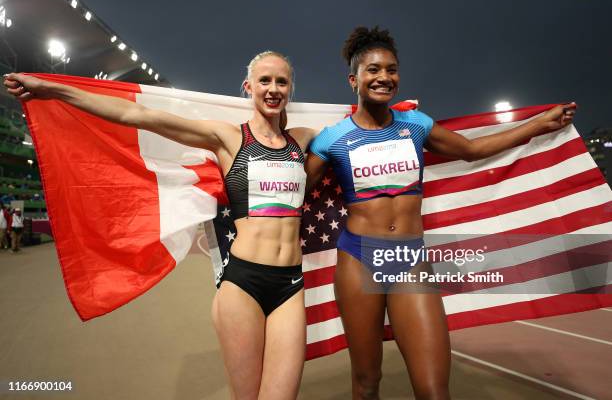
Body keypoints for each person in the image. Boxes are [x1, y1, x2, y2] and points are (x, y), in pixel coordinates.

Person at [4, 50, 318, 399]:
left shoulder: (302, 141)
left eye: (281, 81)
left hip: (290, 285)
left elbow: (360, 132)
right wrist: (51, 89)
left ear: (290, 89)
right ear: (248, 87)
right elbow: (136, 113)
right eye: (264, 80)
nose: (273, 88)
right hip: (243, 285)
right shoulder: (228, 138)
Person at [305, 26, 576, 400]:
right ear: (354, 79)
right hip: (358, 258)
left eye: (392, 69)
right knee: (367, 382)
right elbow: (295, 191)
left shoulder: (417, 125)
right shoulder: (331, 139)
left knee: (434, 390)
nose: (384, 77)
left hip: (408, 258)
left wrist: (537, 125)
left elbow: (471, 150)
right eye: (373, 70)